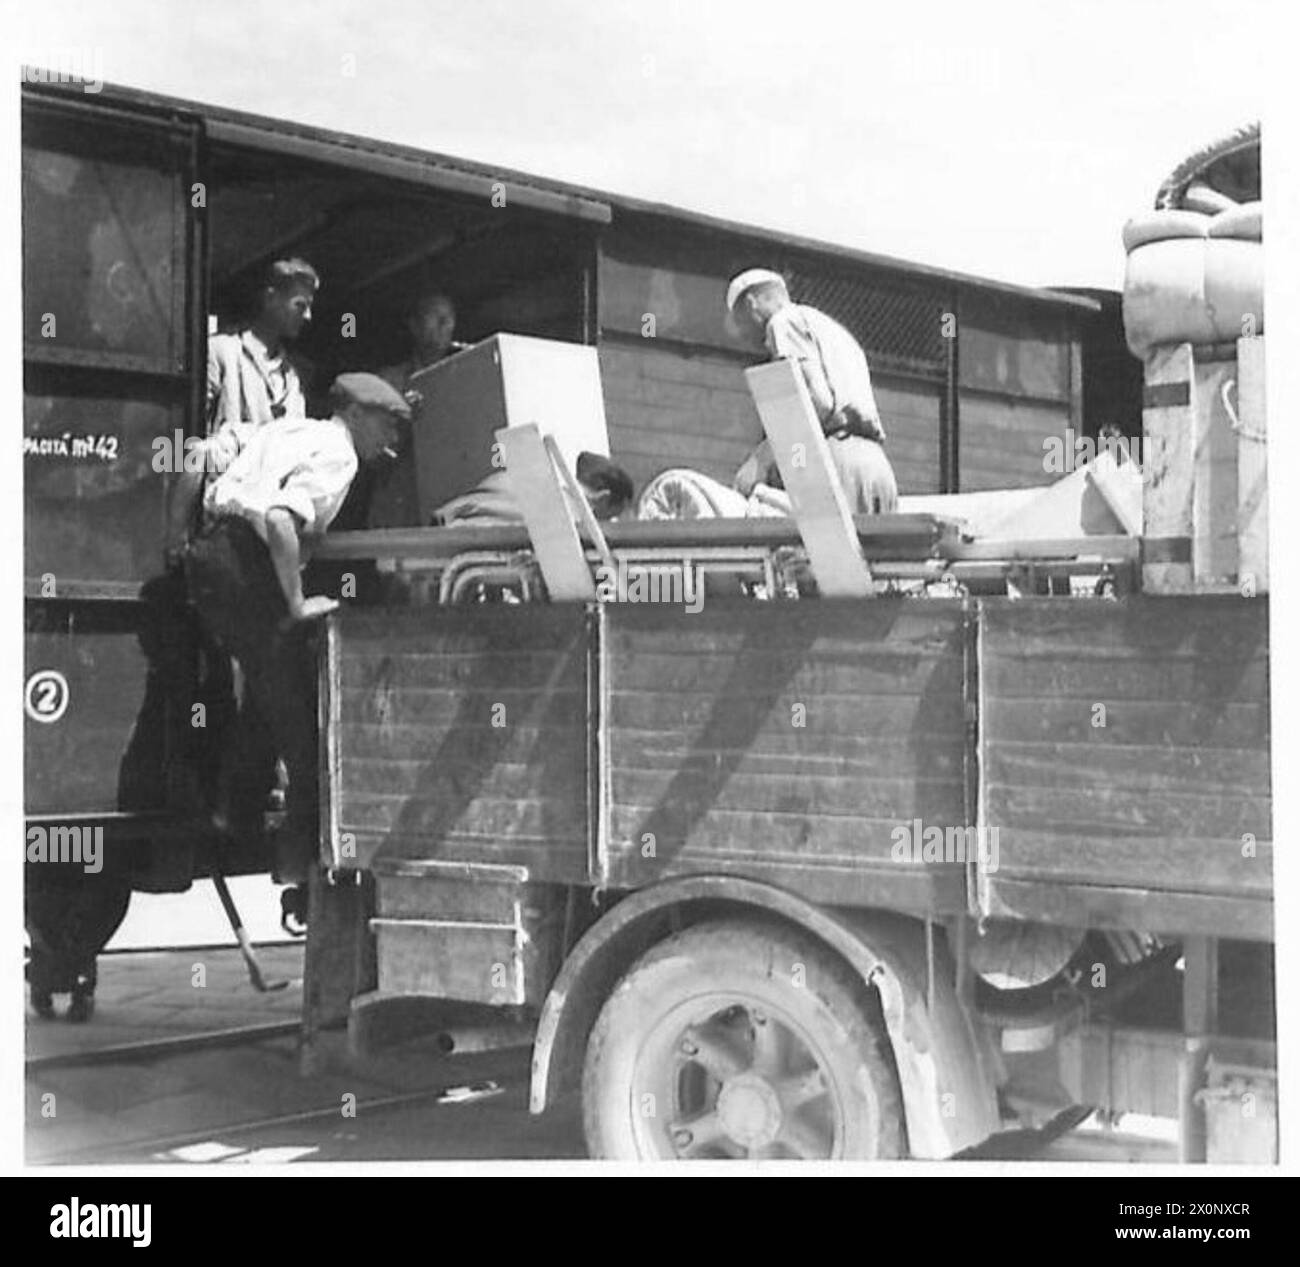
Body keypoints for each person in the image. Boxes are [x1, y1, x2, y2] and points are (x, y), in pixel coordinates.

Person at [183, 374, 411, 921]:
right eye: (387, 424)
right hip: (248, 569)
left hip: (212, 557)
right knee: (304, 728)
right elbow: (283, 521)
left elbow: (195, 465)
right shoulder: (340, 457)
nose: (392, 442)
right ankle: (299, 855)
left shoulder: (287, 430)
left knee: (271, 691)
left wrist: (178, 541)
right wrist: (297, 602)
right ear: (355, 414)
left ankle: (233, 813)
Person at [725, 268, 898, 515]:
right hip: (877, 468)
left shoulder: (782, 322)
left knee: (824, 553)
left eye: (740, 324)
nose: (744, 336)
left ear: (751, 304)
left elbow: (818, 402)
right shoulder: (835, 332)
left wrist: (761, 459)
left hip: (837, 462)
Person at [430, 450, 634, 526]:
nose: (603, 523)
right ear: (604, 498)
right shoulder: (568, 517)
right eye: (608, 516)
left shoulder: (518, 476)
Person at [378, 290, 462, 397]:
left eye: (450, 314)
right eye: (433, 314)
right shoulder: (391, 382)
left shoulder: (469, 367)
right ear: (414, 325)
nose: (444, 322)